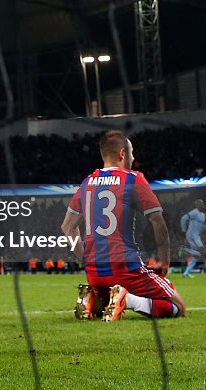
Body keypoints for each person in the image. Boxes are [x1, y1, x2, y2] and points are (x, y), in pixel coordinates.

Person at [61, 130, 187, 321]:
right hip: (125, 268)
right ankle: (127, 300)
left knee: (110, 293)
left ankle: (95, 300)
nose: (134, 157)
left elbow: (67, 227)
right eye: (131, 152)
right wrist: (165, 261)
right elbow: (158, 222)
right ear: (122, 154)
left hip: (95, 272)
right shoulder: (133, 179)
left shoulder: (87, 183)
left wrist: (86, 260)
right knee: (179, 306)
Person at [180, 199, 206, 277]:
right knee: (201, 249)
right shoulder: (194, 212)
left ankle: (186, 273)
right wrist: (183, 231)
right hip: (191, 235)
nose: (203, 205)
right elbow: (183, 218)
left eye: (203, 203)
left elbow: (200, 227)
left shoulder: (203, 215)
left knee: (196, 255)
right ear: (197, 205)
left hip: (197, 236)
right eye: (201, 204)